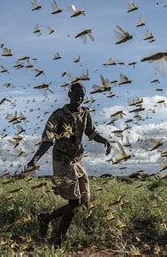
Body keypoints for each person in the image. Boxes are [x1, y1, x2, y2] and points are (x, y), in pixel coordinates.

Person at [25, 82, 111, 247]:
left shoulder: (85, 113)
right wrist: (35, 158)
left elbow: (91, 132)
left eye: (82, 95)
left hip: (78, 160)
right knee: (74, 203)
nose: (79, 98)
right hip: (62, 161)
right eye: (76, 94)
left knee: (83, 202)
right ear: (69, 95)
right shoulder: (58, 115)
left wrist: (105, 141)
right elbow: (48, 139)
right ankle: (58, 241)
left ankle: (46, 218)